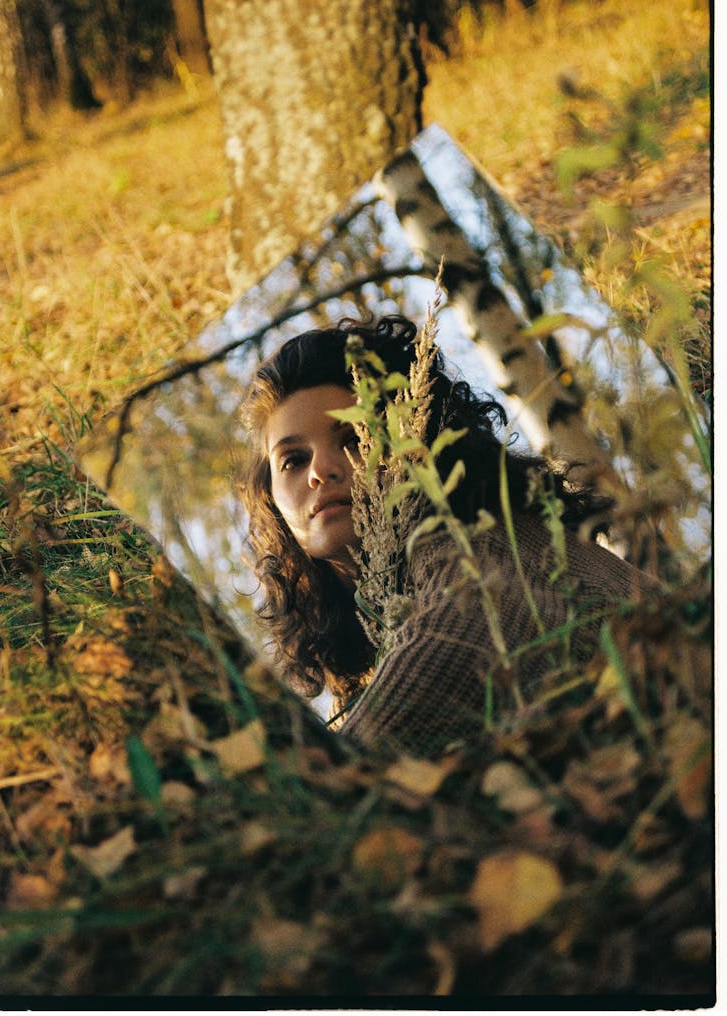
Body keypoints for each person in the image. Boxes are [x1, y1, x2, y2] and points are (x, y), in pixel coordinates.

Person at [240, 314, 656, 756]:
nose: (321, 470)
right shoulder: (361, 642)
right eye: (293, 460)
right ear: (271, 498)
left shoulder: (482, 532)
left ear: (412, 438)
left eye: (354, 438)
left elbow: (451, 647)